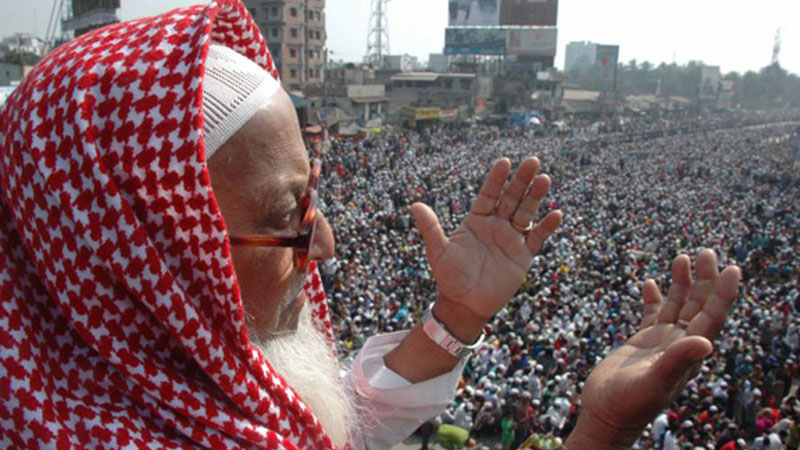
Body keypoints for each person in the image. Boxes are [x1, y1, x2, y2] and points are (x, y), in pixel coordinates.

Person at [0, 1, 743, 449]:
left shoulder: (153, 387)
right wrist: (602, 432)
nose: (322, 243)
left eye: (312, 198)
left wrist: (455, 317)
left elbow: (341, 426)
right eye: (284, 218)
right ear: (138, 264)